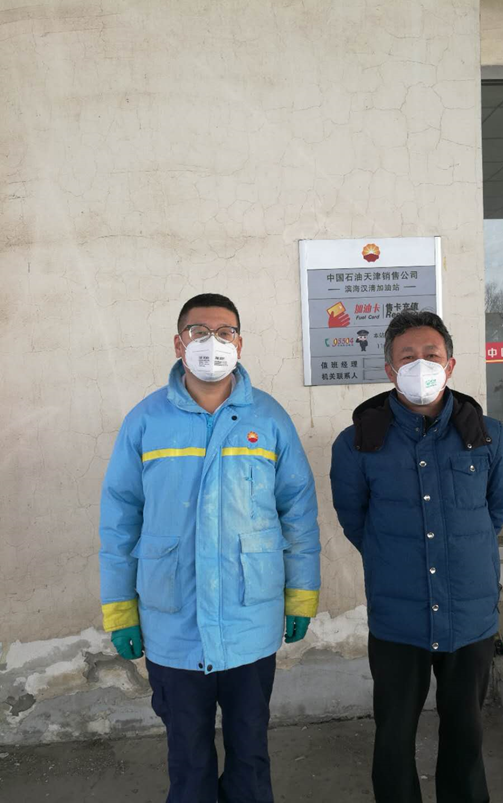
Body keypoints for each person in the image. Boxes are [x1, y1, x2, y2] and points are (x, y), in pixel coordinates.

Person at [99, 293, 321, 803]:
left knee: (250, 755)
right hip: (172, 623)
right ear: (179, 344)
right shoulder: (146, 420)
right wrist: (120, 610)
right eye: (199, 332)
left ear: (240, 344)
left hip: (249, 620)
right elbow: (119, 522)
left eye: (224, 332)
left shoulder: (268, 418)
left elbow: (298, 514)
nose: (212, 342)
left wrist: (301, 595)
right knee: (189, 758)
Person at [330, 310, 503, 803]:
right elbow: (356, 520)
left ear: (450, 365)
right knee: (394, 738)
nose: (421, 365)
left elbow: (498, 511)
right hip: (399, 619)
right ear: (390, 370)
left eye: (431, 355)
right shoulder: (357, 442)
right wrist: (395, 556)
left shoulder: (488, 436)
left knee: (466, 736)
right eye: (408, 356)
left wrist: (460, 549)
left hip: (469, 616)